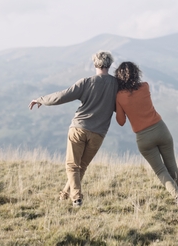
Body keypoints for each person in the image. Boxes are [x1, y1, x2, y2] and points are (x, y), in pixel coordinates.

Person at [29, 51, 118, 207]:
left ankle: (76, 198)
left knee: (72, 166)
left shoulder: (86, 82)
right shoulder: (116, 84)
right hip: (99, 133)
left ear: (95, 64)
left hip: (79, 128)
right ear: (110, 65)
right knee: (81, 167)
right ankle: (64, 195)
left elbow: (62, 96)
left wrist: (41, 100)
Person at [114, 61, 178, 204]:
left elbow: (121, 121)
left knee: (161, 171)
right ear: (136, 73)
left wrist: (118, 107)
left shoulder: (119, 97)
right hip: (161, 130)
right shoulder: (145, 87)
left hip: (143, 138)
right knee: (172, 166)